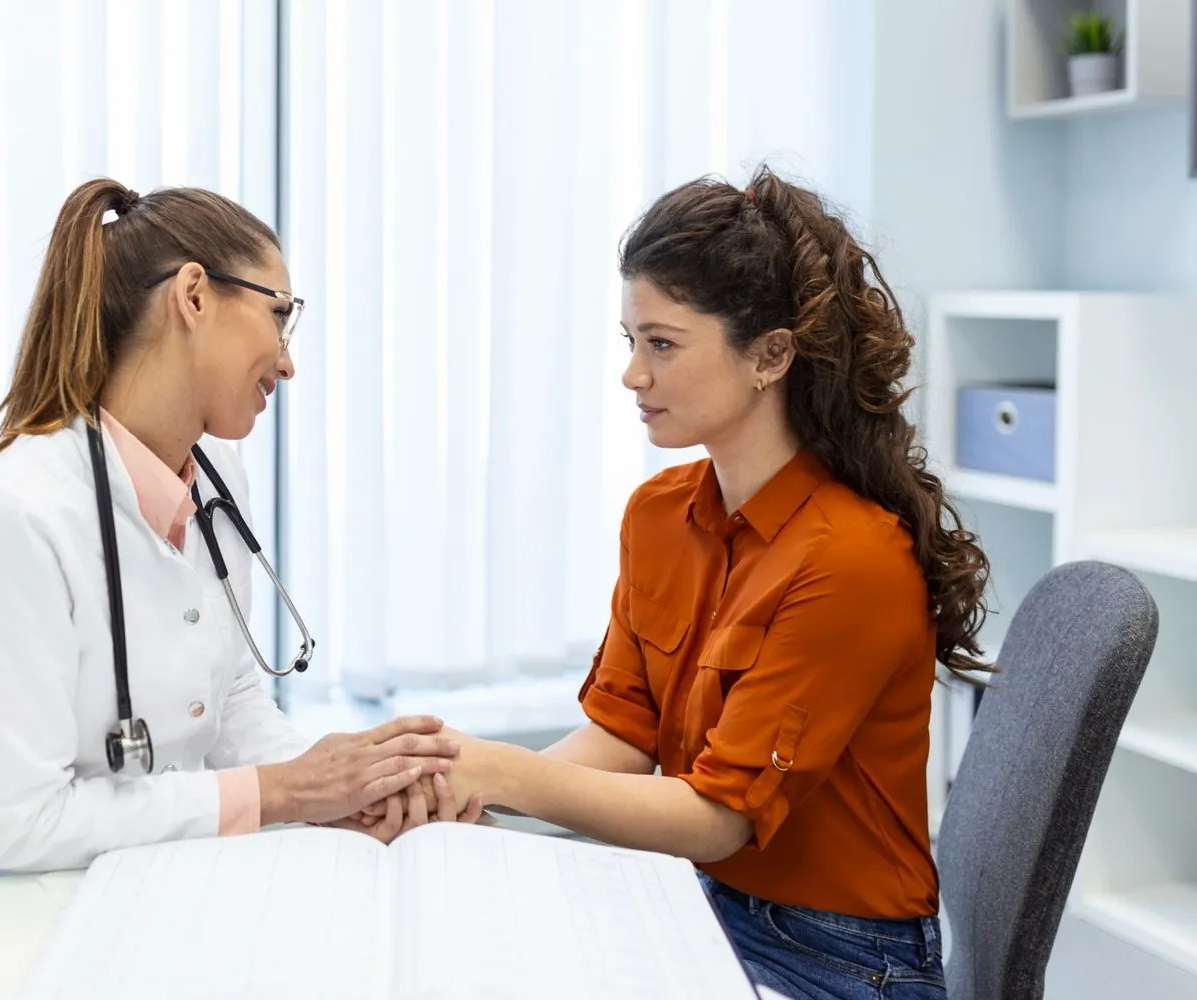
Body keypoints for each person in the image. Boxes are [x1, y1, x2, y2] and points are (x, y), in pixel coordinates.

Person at [412, 167, 989, 999]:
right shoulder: (659, 515)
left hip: (842, 961)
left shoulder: (850, 560)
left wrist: (497, 772)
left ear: (770, 355)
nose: (633, 376)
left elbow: (717, 820)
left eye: (663, 343)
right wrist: (467, 804)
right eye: (630, 342)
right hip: (702, 903)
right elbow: (626, 739)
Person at [0, 178, 477, 884]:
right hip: (10, 916)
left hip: (164, 883)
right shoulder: (15, 513)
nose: (286, 360)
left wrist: (350, 790)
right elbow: (21, 826)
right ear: (193, 296)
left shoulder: (216, 479)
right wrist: (286, 792)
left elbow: (233, 704)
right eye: (279, 315)